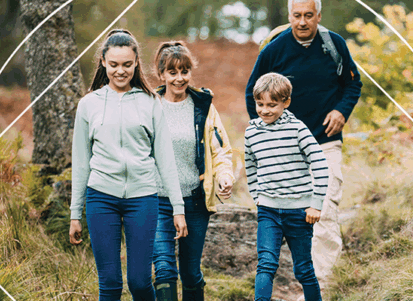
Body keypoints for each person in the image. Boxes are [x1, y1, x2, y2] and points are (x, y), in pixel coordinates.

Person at [243, 0, 362, 288]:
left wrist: (341, 111)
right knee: (291, 216)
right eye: (297, 15)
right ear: (289, 16)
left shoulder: (334, 44)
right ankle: (304, 278)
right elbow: (252, 94)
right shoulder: (274, 50)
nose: (303, 22)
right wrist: (266, 134)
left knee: (325, 208)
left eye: (309, 15)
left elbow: (353, 83)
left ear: (318, 16)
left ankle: (323, 285)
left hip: (325, 142)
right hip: (287, 150)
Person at [68, 29, 188, 301]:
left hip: (142, 198)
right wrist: (76, 212)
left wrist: (178, 209)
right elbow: (81, 163)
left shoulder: (151, 102)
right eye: (113, 65)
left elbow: (166, 160)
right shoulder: (88, 105)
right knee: (109, 284)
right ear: (102, 62)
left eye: (126, 65)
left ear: (136, 64)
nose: (120, 71)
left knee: (139, 282)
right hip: (101, 198)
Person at [149, 41, 236, 301]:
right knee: (164, 270)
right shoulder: (149, 105)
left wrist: (224, 176)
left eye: (184, 71)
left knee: (190, 272)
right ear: (161, 74)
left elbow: (220, 150)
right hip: (157, 200)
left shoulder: (203, 108)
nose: (179, 78)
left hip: (195, 201)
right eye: (172, 72)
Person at [245, 72, 330, 301]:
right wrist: (258, 198)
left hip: (300, 212)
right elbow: (250, 167)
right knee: (266, 264)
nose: (264, 110)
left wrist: (316, 204)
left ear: (286, 102)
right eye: (260, 104)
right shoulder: (251, 131)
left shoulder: (298, 129)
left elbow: (320, 164)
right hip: (268, 211)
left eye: (272, 105)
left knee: (302, 269)